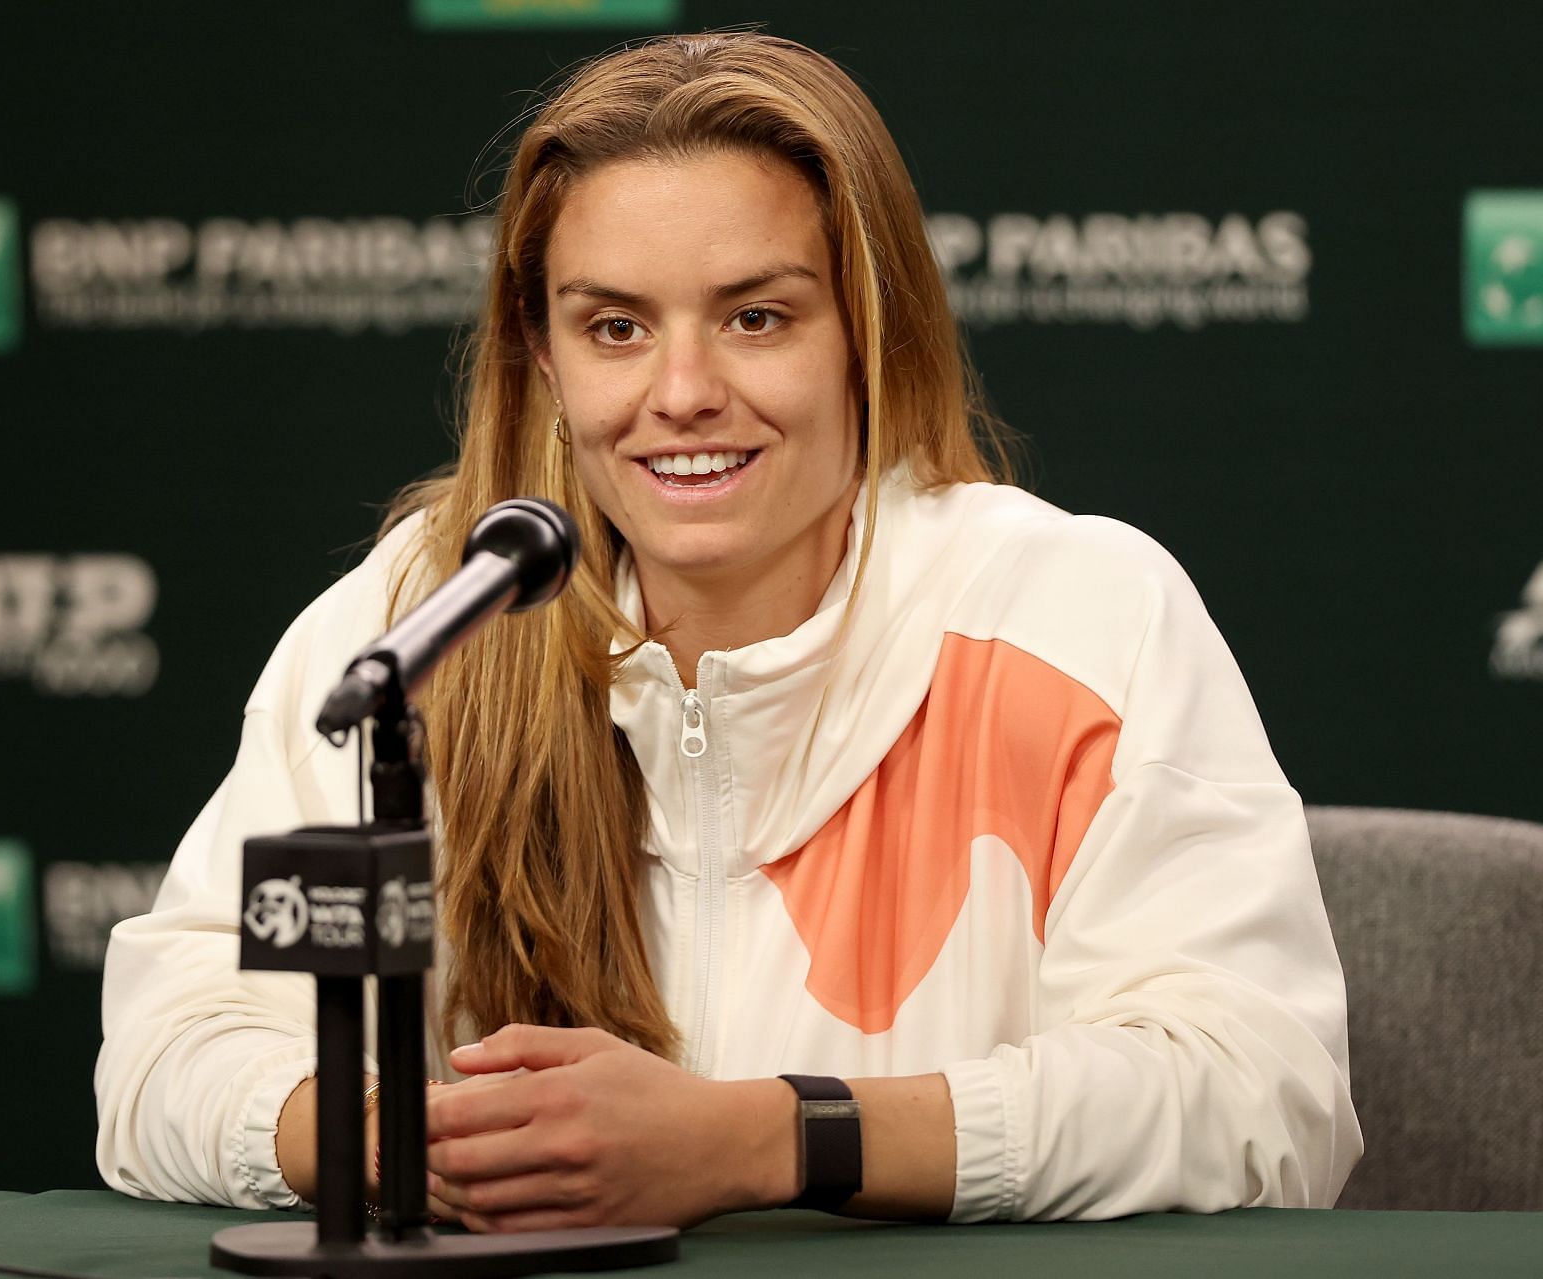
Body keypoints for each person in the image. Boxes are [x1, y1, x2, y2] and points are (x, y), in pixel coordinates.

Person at [94, 31, 1360, 1228]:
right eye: (616, 328)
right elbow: (163, 1060)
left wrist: (766, 1141)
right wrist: (426, 1147)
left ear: (869, 332)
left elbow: (1260, 1094)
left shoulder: (1078, 612)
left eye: (756, 317)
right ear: (542, 352)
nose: (683, 395)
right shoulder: (419, 622)